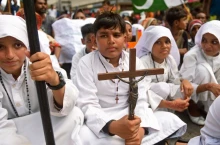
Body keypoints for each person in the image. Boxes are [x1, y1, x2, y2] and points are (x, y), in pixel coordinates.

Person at [75, 12, 187, 145]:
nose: (111, 41)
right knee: (82, 136)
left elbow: (141, 99)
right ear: (94, 40)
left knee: (168, 119)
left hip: (131, 115)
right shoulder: (85, 63)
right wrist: (112, 127)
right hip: (102, 118)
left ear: (125, 38)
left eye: (116, 35)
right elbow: (87, 103)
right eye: (104, 35)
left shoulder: (134, 61)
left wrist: (140, 131)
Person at [0, 15, 83, 144]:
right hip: (4, 134)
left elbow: (68, 103)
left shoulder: (41, 64)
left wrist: (55, 81)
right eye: (0, 47)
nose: (9, 55)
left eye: (17, 45)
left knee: (74, 115)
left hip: (42, 127)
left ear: (27, 46)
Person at [136, 26, 193, 112]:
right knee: (162, 87)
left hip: (166, 94)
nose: (164, 46)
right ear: (150, 44)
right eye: (158, 42)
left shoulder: (170, 59)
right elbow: (143, 89)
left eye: (167, 42)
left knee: (184, 89)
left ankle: (172, 109)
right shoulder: (143, 62)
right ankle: (161, 111)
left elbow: (174, 79)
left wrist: (183, 81)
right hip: (149, 100)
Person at [180, 20, 220, 125]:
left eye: (214, 42)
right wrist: (208, 86)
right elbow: (185, 84)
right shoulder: (192, 55)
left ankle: (211, 108)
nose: (207, 46)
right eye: (204, 40)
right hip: (193, 93)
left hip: (213, 94)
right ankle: (193, 107)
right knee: (203, 69)